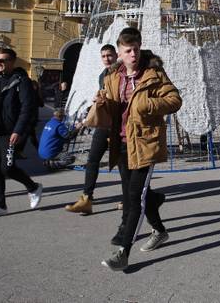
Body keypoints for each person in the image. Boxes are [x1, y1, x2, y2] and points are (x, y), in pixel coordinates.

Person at [99, 28, 182, 271]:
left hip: (145, 143)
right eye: (127, 50)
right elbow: (113, 106)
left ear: (140, 46)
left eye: (136, 48)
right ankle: (159, 226)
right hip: (121, 143)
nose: (133, 54)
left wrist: (148, 104)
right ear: (120, 53)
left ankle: (123, 252)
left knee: (134, 198)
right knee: (134, 195)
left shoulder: (154, 73)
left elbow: (175, 100)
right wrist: (102, 102)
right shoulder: (113, 77)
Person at [0, 48, 43, 219]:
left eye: (3, 60)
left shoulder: (21, 81)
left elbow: (27, 108)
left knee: (7, 168)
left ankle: (33, 187)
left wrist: (18, 130)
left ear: (13, 62)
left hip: (10, 132)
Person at [66, 43, 118, 215]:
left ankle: (130, 199)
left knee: (125, 164)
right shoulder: (102, 74)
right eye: (103, 56)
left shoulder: (123, 72)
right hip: (104, 122)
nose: (106, 59)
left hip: (120, 124)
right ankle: (87, 198)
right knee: (92, 159)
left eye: (109, 55)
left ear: (116, 55)